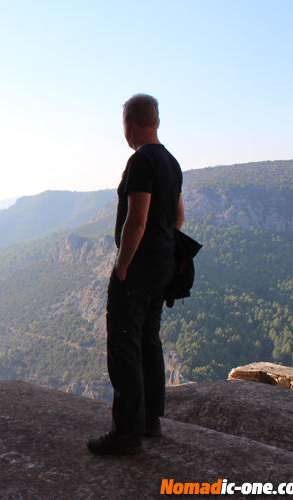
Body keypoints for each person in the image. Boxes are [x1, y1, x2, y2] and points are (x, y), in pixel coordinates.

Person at [87, 94, 184, 455]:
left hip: (140, 267)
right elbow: (179, 218)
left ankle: (126, 433)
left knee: (124, 346)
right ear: (155, 120)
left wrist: (123, 264)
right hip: (164, 264)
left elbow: (137, 219)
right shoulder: (172, 163)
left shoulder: (141, 160)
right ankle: (150, 422)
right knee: (148, 340)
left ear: (130, 123)